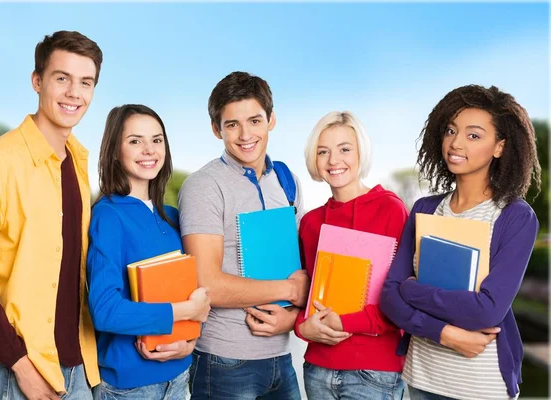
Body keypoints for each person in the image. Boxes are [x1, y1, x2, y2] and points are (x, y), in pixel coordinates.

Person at [0, 31, 103, 399]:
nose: (74, 93)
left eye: (86, 82)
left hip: (76, 367)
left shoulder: (79, 164)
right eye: (61, 78)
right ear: (37, 82)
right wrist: (21, 366)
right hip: (15, 369)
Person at [380, 85, 541, 400]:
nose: (455, 142)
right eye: (451, 131)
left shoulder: (515, 217)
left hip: (479, 387)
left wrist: (412, 291)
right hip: (421, 379)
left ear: (499, 147)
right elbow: (389, 297)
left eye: (474, 135)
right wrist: (445, 333)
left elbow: (487, 311)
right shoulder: (425, 209)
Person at [178, 71, 309, 399]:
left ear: (271, 120)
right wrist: (291, 290)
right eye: (232, 124)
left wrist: (290, 318)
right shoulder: (204, 186)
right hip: (225, 362)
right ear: (216, 129)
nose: (246, 134)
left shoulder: (287, 180)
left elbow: (303, 264)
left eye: (255, 120)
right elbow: (206, 282)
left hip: (281, 357)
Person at [86, 104, 210, 399]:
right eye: (135, 141)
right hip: (129, 387)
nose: (149, 150)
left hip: (179, 377)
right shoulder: (108, 216)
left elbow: (190, 295)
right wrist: (184, 311)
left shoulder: (173, 216)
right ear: (115, 151)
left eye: (156, 140)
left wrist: (188, 342)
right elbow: (105, 311)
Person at [294, 111, 408, 399]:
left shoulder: (390, 210)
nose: (334, 160)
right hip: (318, 368)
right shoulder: (311, 223)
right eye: (323, 151)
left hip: (374, 372)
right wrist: (302, 327)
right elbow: (306, 295)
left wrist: (344, 323)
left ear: (361, 153)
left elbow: (401, 298)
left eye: (345, 149)